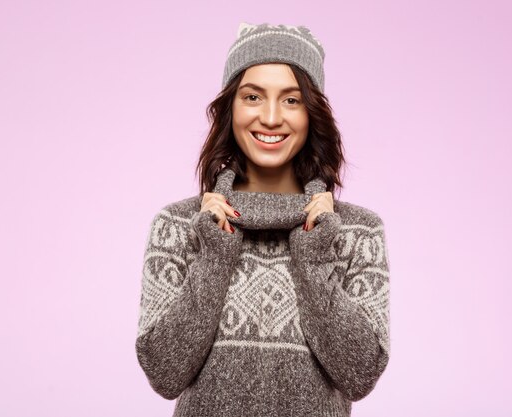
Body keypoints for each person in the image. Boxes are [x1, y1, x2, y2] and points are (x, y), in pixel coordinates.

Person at [135, 22, 391, 417]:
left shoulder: (357, 232)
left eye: (292, 100)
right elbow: (164, 374)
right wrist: (214, 256)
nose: (271, 117)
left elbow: (360, 375)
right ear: (230, 108)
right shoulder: (179, 225)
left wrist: (314, 257)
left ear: (313, 113)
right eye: (253, 96)